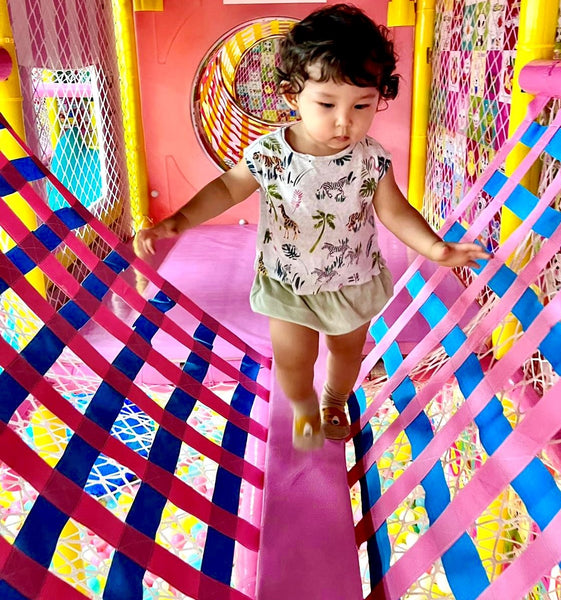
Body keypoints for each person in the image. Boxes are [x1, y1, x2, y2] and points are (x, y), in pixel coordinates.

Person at [135, 4, 490, 451]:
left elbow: (395, 211)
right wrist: (181, 219)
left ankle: (334, 399)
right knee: (293, 357)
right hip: (288, 282)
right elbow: (227, 188)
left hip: (352, 280)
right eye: (326, 104)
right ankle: (303, 404)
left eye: (362, 105)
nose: (345, 120)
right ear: (292, 96)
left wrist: (436, 248)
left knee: (345, 353)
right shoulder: (271, 153)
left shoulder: (370, 158)